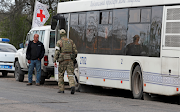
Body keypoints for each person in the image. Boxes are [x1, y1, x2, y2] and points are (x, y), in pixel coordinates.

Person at [54, 29, 78, 94]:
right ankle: (72, 85)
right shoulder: (71, 41)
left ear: (60, 35)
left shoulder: (59, 42)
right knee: (70, 74)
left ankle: (61, 89)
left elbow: (57, 52)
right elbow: (75, 51)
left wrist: (54, 60)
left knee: (61, 75)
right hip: (70, 60)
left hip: (62, 61)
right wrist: (73, 58)